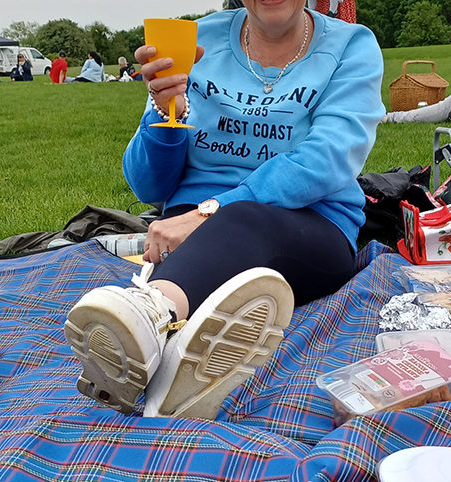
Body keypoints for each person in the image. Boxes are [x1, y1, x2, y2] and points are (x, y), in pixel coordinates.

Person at [63, 1, 384, 420]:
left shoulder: (350, 46)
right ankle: (176, 367)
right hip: (187, 227)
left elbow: (326, 160)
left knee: (239, 219)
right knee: (210, 259)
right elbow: (149, 186)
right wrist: (164, 112)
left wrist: (211, 211)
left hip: (309, 227)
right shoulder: (196, 40)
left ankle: (153, 314)